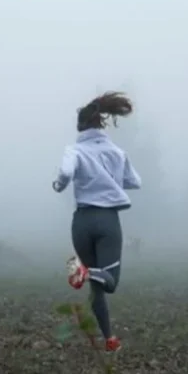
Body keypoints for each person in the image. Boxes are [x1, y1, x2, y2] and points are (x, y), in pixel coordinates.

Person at [51, 91, 141, 352]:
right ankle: (86, 271)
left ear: (80, 126)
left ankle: (109, 339)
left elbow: (66, 172)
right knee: (109, 281)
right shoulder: (117, 152)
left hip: (81, 221)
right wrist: (112, 181)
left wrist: (59, 185)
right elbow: (135, 182)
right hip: (107, 221)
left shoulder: (74, 150)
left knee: (97, 289)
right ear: (101, 123)